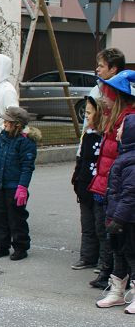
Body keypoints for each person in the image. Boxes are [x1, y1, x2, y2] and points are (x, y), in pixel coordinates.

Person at [91, 70, 135, 304]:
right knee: (116, 243)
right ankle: (117, 288)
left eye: (108, 93)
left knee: (130, 246)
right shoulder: (114, 121)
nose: (104, 97)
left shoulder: (129, 123)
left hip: (124, 199)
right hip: (112, 191)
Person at [0, 107, 39, 260]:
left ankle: (21, 247)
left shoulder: (26, 141)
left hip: (14, 187)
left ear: (17, 124)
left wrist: (22, 187)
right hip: (0, 185)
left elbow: (27, 167)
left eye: (8, 121)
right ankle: (2, 246)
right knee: (0, 216)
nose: (4, 123)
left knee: (16, 218)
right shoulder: (3, 136)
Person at [101, 113, 135, 312]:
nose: (118, 130)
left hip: (128, 220)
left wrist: (119, 218)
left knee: (132, 254)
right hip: (117, 217)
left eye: (122, 127)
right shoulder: (124, 156)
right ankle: (117, 293)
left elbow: (130, 194)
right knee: (118, 254)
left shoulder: (131, 161)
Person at [71, 97, 104, 274]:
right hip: (85, 187)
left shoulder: (105, 136)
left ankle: (103, 260)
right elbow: (81, 159)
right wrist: (76, 179)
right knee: (87, 225)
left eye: (90, 113)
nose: (87, 116)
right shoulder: (87, 135)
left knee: (101, 225)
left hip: (99, 188)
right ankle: (88, 256)